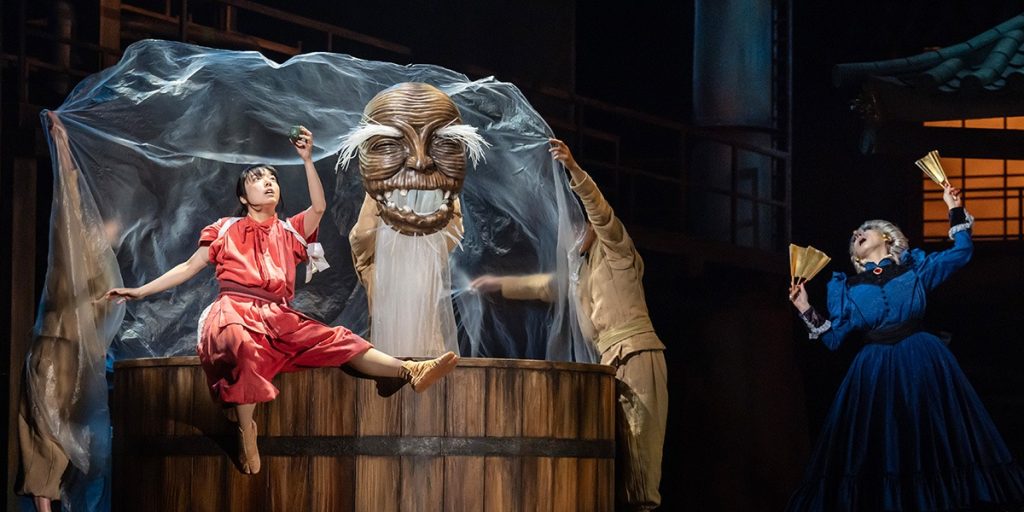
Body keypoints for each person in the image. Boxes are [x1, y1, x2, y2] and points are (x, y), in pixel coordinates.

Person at [105, 128, 459, 474]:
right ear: (244, 197)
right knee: (240, 344)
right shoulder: (225, 229)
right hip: (234, 309)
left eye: (272, 178)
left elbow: (319, 207)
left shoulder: (289, 230)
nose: (268, 183)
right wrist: (140, 291)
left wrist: (307, 160)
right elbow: (188, 266)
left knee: (339, 339)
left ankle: (409, 370)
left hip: (277, 315)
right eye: (258, 179)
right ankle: (246, 428)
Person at [786, 183, 1024, 511]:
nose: (857, 233)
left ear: (886, 237)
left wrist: (953, 208)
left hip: (922, 358)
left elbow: (962, 252)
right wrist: (804, 308)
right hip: (875, 369)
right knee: (886, 440)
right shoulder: (846, 287)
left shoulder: (915, 268)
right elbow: (833, 338)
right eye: (854, 236)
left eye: (865, 229)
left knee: (930, 434)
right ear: (856, 256)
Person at [471, 139, 668, 511]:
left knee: (641, 456)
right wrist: (497, 284)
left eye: (577, 225)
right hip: (609, 362)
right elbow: (545, 286)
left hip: (636, 355)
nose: (572, 234)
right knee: (616, 456)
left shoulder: (616, 250)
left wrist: (574, 170)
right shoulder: (582, 268)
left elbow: (601, 212)